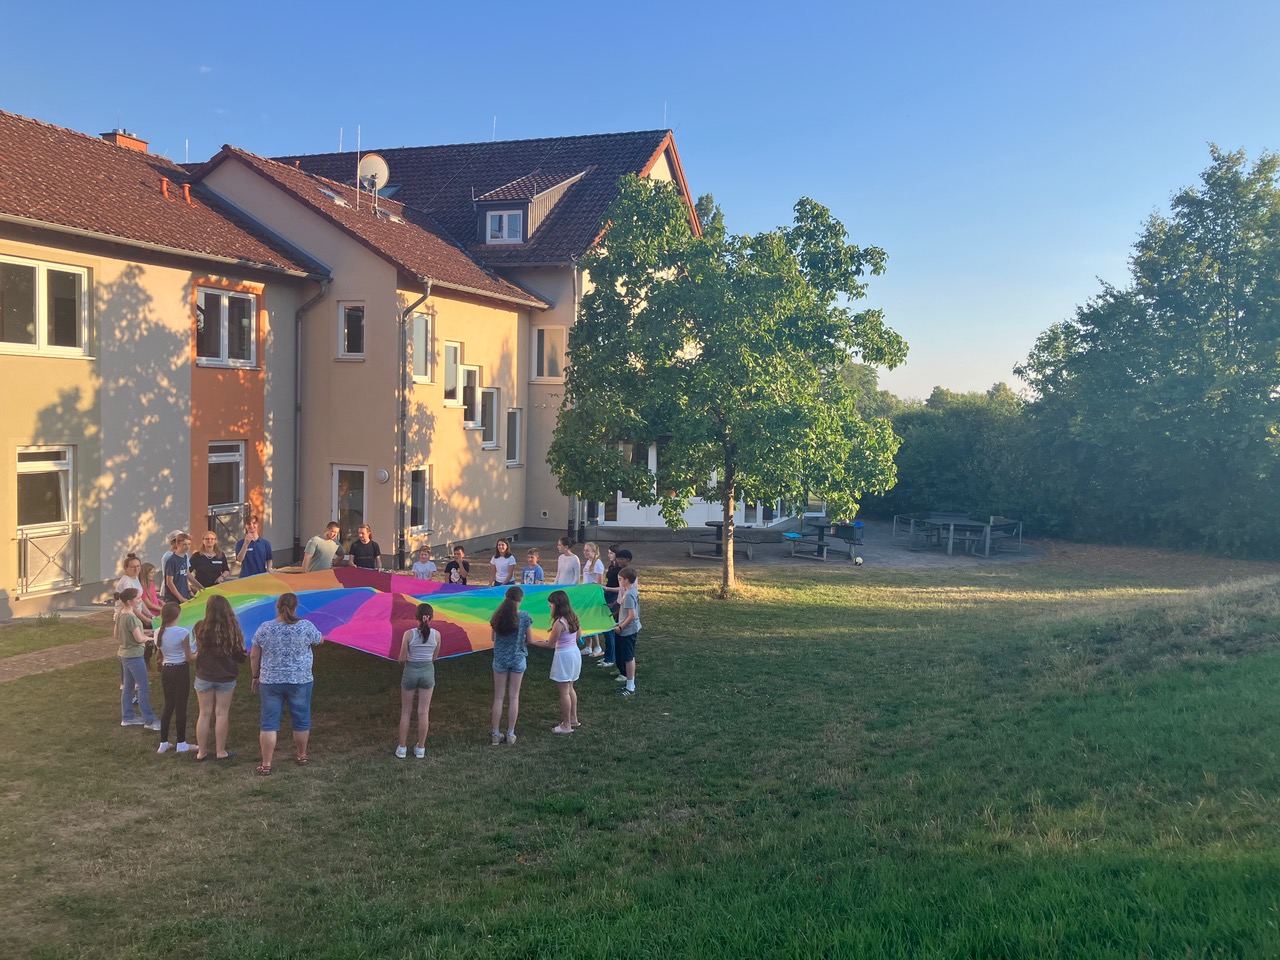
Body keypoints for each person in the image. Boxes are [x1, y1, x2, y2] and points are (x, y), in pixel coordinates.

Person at [251, 593, 324, 775]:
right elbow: (319, 640)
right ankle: (302, 755)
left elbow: (254, 655)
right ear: (295, 607)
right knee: (301, 718)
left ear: (277, 607)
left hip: (270, 681)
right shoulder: (305, 626)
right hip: (300, 680)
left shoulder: (265, 628)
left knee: (269, 722)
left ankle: (266, 763)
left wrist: (255, 676)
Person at [191, 594, 247, 761]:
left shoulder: (200, 626)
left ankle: (201, 752)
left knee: (204, 713)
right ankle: (220, 751)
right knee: (222, 713)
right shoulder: (232, 628)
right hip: (226, 676)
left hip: (204, 675)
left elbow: (198, 650)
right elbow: (240, 655)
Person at [529, 590, 581, 734]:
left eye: (551, 603)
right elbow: (578, 636)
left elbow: (550, 644)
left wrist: (532, 642)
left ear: (557, 605)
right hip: (575, 653)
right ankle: (573, 719)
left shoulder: (559, 623)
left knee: (564, 691)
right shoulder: (574, 617)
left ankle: (566, 725)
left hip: (564, 656)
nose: (549, 606)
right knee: (570, 687)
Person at [394, 602, 439, 759]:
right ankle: (421, 748)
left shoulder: (409, 634)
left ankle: (402, 748)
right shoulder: (437, 635)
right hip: (428, 672)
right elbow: (434, 657)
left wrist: (406, 659)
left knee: (406, 711)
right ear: (431, 618)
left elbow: (401, 659)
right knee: (423, 712)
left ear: (416, 617)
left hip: (410, 672)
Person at [489, 586, 532, 746]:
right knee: (514, 696)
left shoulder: (497, 616)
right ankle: (511, 733)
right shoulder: (524, 617)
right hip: (518, 658)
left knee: (498, 696)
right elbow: (530, 639)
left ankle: (495, 733)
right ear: (520, 599)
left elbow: (493, 637)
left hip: (500, 659)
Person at [115, 588, 159, 730]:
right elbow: (139, 638)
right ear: (129, 601)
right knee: (143, 687)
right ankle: (150, 720)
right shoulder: (132, 617)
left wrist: (147, 632)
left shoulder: (121, 614)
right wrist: (152, 637)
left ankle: (127, 717)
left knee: (128, 687)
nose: (140, 600)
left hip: (124, 654)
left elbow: (118, 635)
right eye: (138, 598)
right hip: (134, 656)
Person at [154, 601, 194, 754]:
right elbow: (189, 657)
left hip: (166, 670)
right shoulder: (182, 632)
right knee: (181, 706)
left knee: (168, 705)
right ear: (177, 616)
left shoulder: (158, 632)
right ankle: (181, 742)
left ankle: (163, 742)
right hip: (180, 670)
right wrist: (200, 653)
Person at [597, 546, 629, 669]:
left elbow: (621, 588)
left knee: (609, 627)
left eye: (611, 553)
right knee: (607, 628)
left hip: (614, 595)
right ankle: (608, 655)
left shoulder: (621, 571)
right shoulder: (612, 567)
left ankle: (611, 658)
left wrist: (607, 589)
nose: (609, 555)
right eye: (608, 553)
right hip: (609, 596)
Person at [615, 566, 642, 697]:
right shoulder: (630, 591)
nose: (619, 581)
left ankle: (630, 687)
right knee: (628, 656)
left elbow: (632, 615)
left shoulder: (629, 595)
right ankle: (629, 683)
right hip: (628, 628)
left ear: (626, 580)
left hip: (628, 630)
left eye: (620, 579)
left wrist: (620, 627)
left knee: (628, 657)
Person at [580, 542, 606, 657]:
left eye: (588, 550)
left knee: (591, 621)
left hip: (593, 597)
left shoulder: (597, 563)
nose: (585, 552)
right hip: (586, 595)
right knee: (585, 620)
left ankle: (597, 646)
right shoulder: (588, 562)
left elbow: (599, 583)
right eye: (584, 550)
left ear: (594, 551)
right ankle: (588, 646)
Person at [163, 533, 194, 604]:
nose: (187, 547)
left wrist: (189, 591)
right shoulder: (172, 560)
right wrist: (180, 598)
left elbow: (185, 575)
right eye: (184, 544)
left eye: (189, 544)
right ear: (177, 544)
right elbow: (169, 582)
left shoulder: (185, 557)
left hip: (184, 593)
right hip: (173, 598)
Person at [113, 553, 143, 622]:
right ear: (126, 568)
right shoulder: (126, 582)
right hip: (126, 618)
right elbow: (130, 604)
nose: (136, 569)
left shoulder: (135, 578)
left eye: (138, 566)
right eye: (132, 567)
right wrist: (145, 619)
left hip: (135, 616)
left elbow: (140, 598)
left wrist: (149, 615)